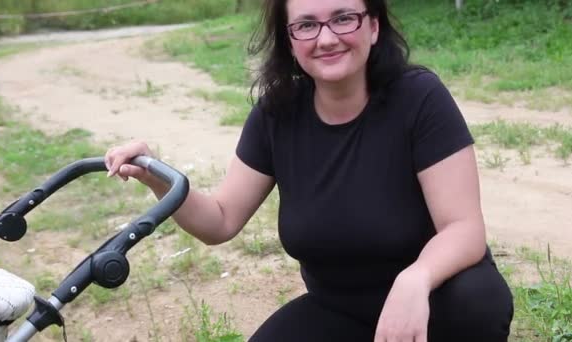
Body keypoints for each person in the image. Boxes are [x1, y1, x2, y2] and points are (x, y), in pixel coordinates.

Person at [104, 0, 514, 340]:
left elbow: (463, 228)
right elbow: (220, 220)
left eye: (343, 18)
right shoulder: (276, 115)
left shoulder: (419, 97)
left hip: (436, 301)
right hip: (337, 309)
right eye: (307, 25)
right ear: (290, 40)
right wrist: (156, 174)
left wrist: (416, 279)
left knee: (475, 300)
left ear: (373, 26)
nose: (327, 38)